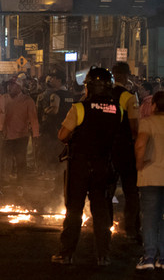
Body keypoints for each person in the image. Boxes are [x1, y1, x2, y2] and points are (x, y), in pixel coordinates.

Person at [52, 67, 121, 266]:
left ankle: (66, 254)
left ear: (89, 87)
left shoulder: (80, 108)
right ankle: (103, 255)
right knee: (101, 211)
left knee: (74, 210)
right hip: (104, 166)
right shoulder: (118, 109)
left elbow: (62, 136)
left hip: (80, 166)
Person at [112, 61, 141, 242]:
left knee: (105, 190)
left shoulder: (103, 95)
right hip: (125, 149)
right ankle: (130, 228)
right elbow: (134, 127)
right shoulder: (129, 97)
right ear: (125, 75)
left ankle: (101, 223)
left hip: (106, 149)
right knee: (131, 191)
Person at [135, 91, 164, 270]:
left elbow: (140, 144)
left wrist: (139, 164)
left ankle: (149, 257)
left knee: (150, 218)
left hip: (150, 176)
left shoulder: (147, 122)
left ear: (153, 105)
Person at [3, 77, 39, 184]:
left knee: (20, 160)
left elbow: (33, 118)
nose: (9, 87)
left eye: (12, 85)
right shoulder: (3, 98)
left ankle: (20, 183)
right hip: (6, 135)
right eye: (8, 85)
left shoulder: (27, 100)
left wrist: (36, 135)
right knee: (6, 160)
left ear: (19, 87)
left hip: (21, 136)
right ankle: (6, 182)